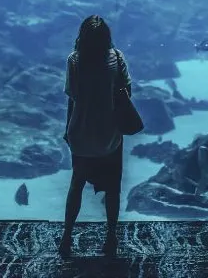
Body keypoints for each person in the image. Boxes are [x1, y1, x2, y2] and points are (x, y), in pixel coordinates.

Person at [58, 15, 131, 258]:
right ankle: (111, 238)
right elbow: (127, 91)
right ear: (106, 37)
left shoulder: (74, 60)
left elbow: (72, 97)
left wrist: (68, 130)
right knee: (113, 188)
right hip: (110, 134)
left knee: (76, 184)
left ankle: (67, 238)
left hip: (81, 131)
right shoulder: (117, 57)